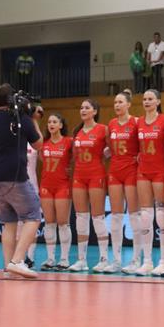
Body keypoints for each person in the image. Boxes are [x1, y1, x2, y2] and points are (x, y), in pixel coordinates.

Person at [0, 84, 42, 278]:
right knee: (33, 215)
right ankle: (17, 260)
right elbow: (38, 144)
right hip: (15, 177)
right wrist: (32, 119)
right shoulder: (22, 120)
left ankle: (9, 267)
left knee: (8, 222)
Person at [68, 98, 109, 273]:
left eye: (87, 108)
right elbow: (74, 156)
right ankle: (81, 260)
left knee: (98, 217)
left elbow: (113, 148)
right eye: (81, 107)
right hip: (79, 176)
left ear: (95, 111)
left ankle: (104, 259)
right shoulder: (77, 131)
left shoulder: (102, 129)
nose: (83, 110)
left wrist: (103, 156)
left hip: (96, 175)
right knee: (81, 217)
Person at [136, 89, 164, 275]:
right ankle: (147, 261)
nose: (147, 101)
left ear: (158, 101)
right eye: (144, 99)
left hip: (160, 171)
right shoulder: (139, 122)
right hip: (143, 171)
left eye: (150, 99)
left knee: (162, 216)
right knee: (145, 216)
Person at [106, 92, 143, 272]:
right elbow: (109, 147)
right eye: (115, 102)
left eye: (120, 102)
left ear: (128, 104)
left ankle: (136, 259)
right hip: (114, 170)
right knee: (116, 215)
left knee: (134, 215)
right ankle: (116, 260)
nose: (117, 105)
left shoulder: (136, 122)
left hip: (131, 170)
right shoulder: (112, 124)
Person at [38, 113, 73, 270]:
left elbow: (77, 157)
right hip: (46, 186)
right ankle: (50, 258)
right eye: (49, 122)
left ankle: (64, 259)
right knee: (49, 223)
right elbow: (41, 160)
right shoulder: (43, 144)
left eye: (54, 122)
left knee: (63, 223)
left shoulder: (68, 142)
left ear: (61, 125)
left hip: (62, 186)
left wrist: (70, 169)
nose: (51, 124)